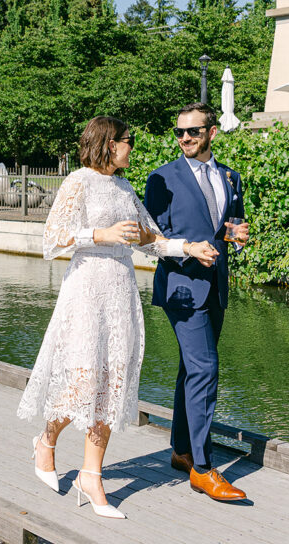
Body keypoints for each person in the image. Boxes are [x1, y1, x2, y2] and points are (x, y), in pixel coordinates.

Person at [18, 116, 217, 520]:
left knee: (112, 380)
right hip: (87, 289)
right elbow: (52, 240)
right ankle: (47, 440)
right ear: (110, 143)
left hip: (121, 291)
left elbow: (151, 239)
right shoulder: (79, 181)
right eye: (129, 140)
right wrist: (102, 235)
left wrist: (189, 247)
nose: (132, 147)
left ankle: (91, 475)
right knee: (84, 378)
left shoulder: (125, 187)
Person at [144, 102, 249, 503]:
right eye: (179, 132)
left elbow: (229, 222)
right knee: (205, 369)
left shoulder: (230, 176)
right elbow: (150, 239)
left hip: (216, 286)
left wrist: (235, 233)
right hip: (182, 288)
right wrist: (189, 250)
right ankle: (203, 469)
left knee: (193, 369)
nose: (184, 138)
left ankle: (181, 451)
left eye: (192, 132)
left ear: (211, 133)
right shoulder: (162, 178)